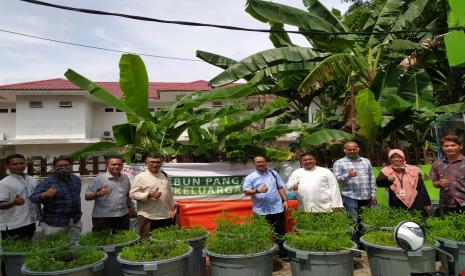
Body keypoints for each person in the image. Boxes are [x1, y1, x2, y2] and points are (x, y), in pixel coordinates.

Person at [333, 141, 376, 249]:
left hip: (366, 196)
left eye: (354, 149)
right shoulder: (339, 163)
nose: (352, 151)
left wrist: (373, 193)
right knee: (354, 221)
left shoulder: (366, 161)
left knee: (365, 221)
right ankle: (355, 245)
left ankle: (364, 243)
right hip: (350, 196)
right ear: (345, 150)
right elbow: (335, 179)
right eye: (349, 149)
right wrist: (348, 175)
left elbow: (372, 178)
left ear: (358, 149)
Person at [243, 155, 288, 258]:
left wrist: (285, 200)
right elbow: (246, 191)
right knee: (261, 233)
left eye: (262, 161)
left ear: (265, 162)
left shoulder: (273, 173)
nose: (261, 163)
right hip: (260, 210)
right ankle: (263, 255)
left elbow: (280, 187)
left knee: (280, 232)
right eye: (258, 162)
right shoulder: (250, 177)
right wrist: (258, 190)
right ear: (254, 164)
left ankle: (283, 253)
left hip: (277, 208)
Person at [30, 155, 82, 243]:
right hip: (54, 223)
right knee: (56, 249)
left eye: (66, 165)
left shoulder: (76, 179)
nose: (63, 168)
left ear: (70, 166)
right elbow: (33, 198)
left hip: (74, 221)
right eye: (60, 166)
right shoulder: (47, 182)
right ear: (54, 168)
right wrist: (45, 194)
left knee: (75, 246)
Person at [130, 153, 176, 239]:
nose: (155, 164)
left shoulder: (163, 175)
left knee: (165, 241)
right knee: (147, 243)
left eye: (158, 162)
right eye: (152, 162)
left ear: (161, 163)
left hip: (166, 215)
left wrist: (173, 204)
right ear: (146, 163)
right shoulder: (140, 177)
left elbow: (168, 193)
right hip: (149, 217)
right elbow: (133, 194)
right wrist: (148, 195)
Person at [376, 149, 431, 217]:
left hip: (416, 201)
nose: (396, 159)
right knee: (400, 222)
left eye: (399, 157)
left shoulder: (414, 169)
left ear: (403, 157)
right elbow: (378, 183)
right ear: (390, 159)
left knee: (418, 222)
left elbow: (421, 187)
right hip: (397, 202)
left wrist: (426, 202)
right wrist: (387, 179)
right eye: (393, 157)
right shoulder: (386, 171)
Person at [85, 155, 131, 232]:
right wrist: (97, 194)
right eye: (113, 164)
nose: (117, 166)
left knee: (123, 240)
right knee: (103, 242)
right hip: (103, 217)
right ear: (107, 165)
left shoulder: (125, 178)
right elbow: (87, 196)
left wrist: (129, 206)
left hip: (123, 216)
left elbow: (127, 194)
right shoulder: (99, 179)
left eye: (119, 164)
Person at [430, 135, 465, 216]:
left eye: (453, 145)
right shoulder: (437, 164)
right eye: (446, 146)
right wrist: (439, 183)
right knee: (447, 227)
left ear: (460, 146)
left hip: (463, 202)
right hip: (446, 204)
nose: (449, 148)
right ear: (442, 148)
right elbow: (434, 183)